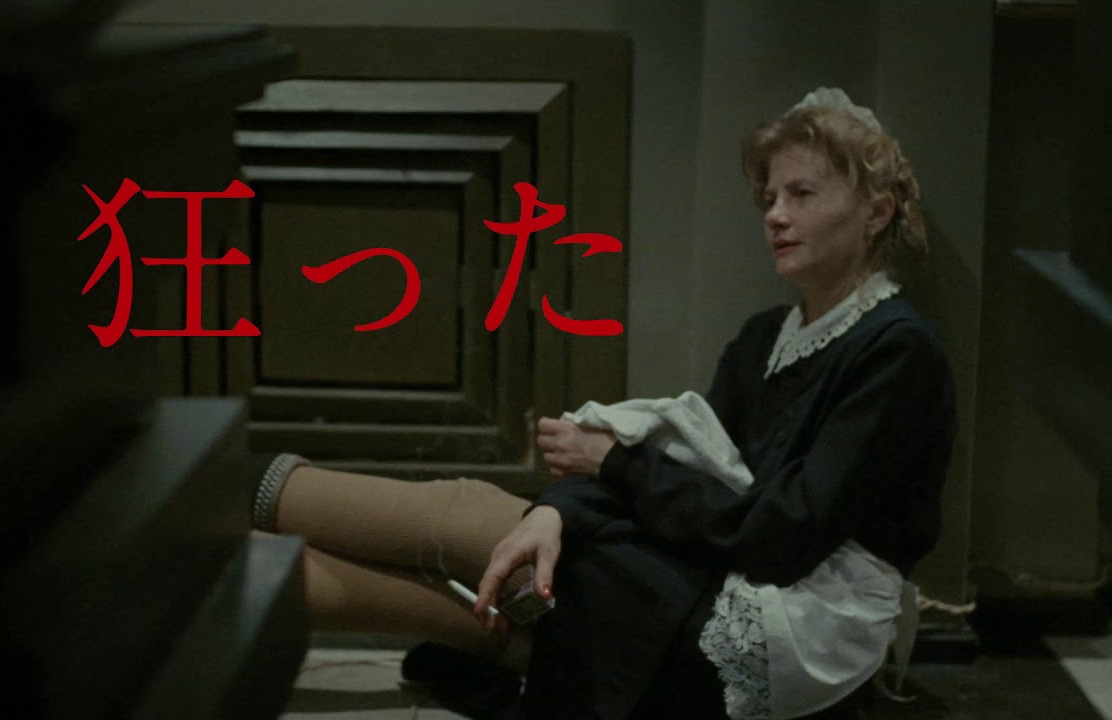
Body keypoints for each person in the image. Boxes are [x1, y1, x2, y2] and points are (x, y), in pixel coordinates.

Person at [251, 87, 956, 720]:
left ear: (876, 214)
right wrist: (559, 508)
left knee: (474, 523)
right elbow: (692, 469)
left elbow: (782, 533)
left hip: (797, 620)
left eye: (801, 195)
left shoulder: (896, 351)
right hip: (725, 567)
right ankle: (228, 546)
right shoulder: (766, 337)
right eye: (770, 197)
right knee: (517, 550)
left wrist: (613, 465)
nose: (775, 215)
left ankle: (218, 500)